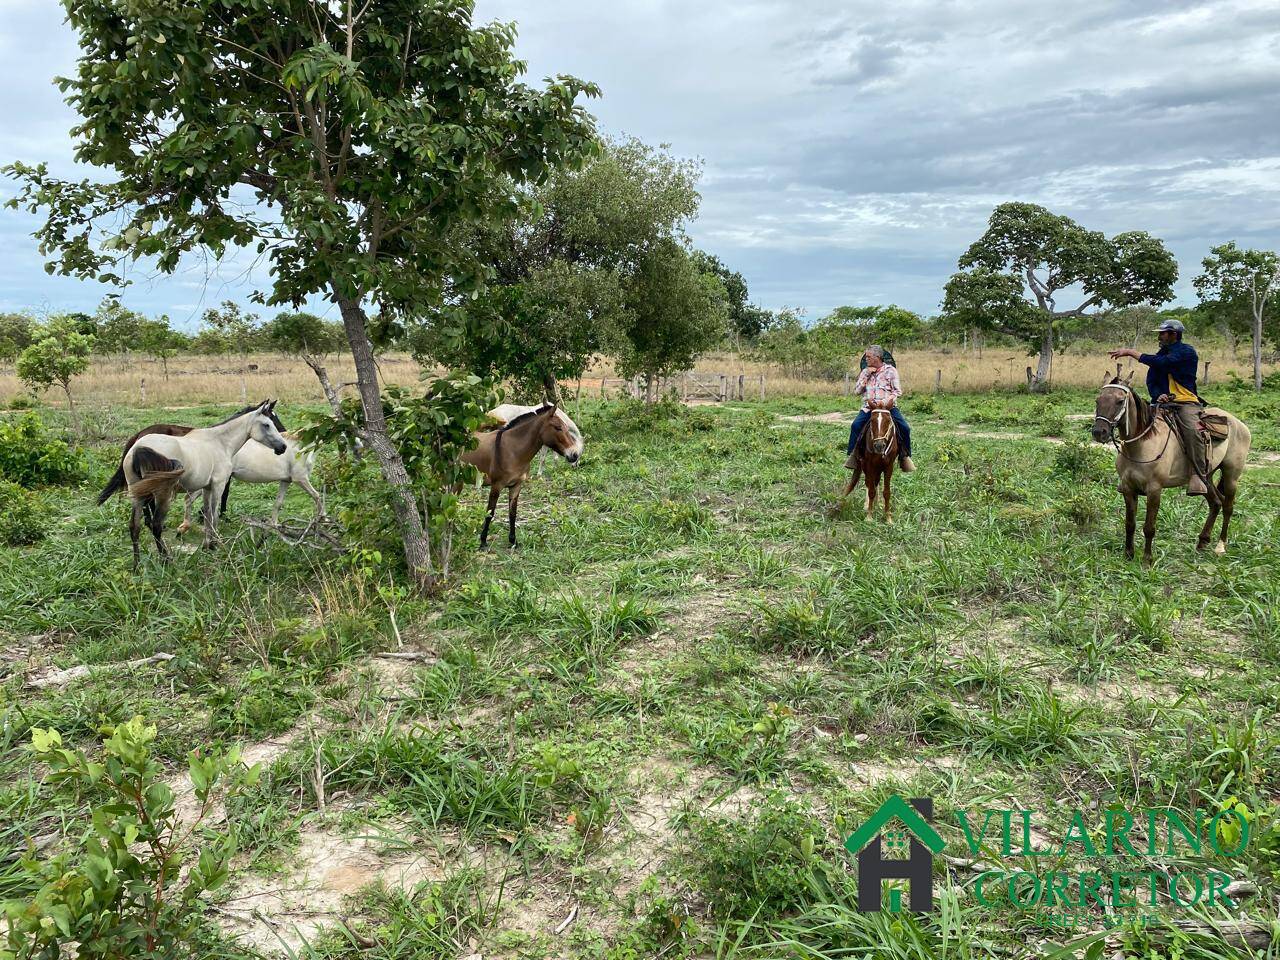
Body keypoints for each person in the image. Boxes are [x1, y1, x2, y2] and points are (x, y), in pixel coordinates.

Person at [1109, 319, 1219, 505]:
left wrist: (1130, 352)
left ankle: (1198, 475)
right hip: (1161, 404)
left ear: (1173, 334)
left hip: (1185, 402)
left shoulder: (1186, 352)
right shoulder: (1162, 354)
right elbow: (1152, 380)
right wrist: (1158, 395)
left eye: (1162, 333)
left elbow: (1163, 363)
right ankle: (1128, 474)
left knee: (1193, 431)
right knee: (1136, 426)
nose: (1159, 336)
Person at [844, 345, 915, 472]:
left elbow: (897, 392)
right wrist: (866, 377)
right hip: (869, 407)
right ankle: (853, 456)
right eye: (866, 357)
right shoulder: (865, 371)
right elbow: (856, 391)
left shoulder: (890, 370)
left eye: (869, 357)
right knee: (855, 425)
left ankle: (904, 456)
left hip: (887, 407)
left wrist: (885, 402)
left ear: (877, 357)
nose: (866, 359)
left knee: (904, 427)